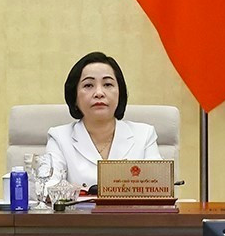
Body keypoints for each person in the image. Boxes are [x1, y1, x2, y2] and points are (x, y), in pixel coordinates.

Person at [44, 52, 160, 188]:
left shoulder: (144, 135)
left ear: (120, 93)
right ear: (74, 96)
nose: (99, 93)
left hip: (130, 210)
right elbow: (48, 187)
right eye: (88, 85)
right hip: (79, 210)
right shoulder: (59, 137)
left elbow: (158, 186)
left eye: (107, 84)